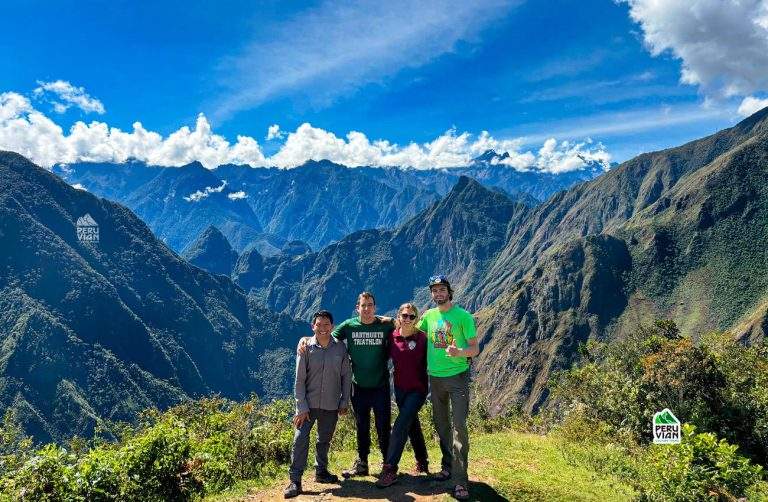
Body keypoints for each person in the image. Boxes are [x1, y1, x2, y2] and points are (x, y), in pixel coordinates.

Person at [416, 275, 479, 501]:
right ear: (431, 294)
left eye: (442, 289)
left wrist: (459, 352)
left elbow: (475, 348)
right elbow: (408, 329)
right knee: (441, 425)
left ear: (449, 292)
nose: (438, 294)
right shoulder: (429, 317)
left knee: (459, 427)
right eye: (434, 290)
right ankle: (448, 466)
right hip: (435, 378)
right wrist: (379, 319)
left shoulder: (463, 317)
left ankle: (460, 481)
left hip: (457, 377)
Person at [284, 310, 351, 499]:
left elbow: (346, 376)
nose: (322, 328)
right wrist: (301, 407)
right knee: (300, 439)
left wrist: (344, 401)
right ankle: (295, 481)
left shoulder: (340, 348)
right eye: (318, 325)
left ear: (332, 326)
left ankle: (321, 472)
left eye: (326, 325)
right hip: (308, 405)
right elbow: (299, 380)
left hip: (331, 404)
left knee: (324, 440)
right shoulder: (305, 348)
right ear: (312, 326)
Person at [334, 292, 395, 478]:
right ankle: (362, 463)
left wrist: (389, 318)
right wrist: (307, 341)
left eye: (370, 305)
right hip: (358, 386)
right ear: (357, 308)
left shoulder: (385, 325)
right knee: (361, 426)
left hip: (380, 385)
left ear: (375, 307)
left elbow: (405, 322)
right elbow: (328, 337)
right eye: (363, 305)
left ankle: (388, 464)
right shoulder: (349, 326)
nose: (367, 309)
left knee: (383, 426)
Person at [376, 302, 429, 488]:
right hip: (399, 390)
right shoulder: (392, 337)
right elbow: (380, 356)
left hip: (418, 390)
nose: (407, 319)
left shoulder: (423, 339)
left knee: (399, 426)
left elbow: (437, 356)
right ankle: (422, 460)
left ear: (416, 319)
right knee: (411, 423)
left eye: (411, 316)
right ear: (399, 317)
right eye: (404, 316)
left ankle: (390, 469)